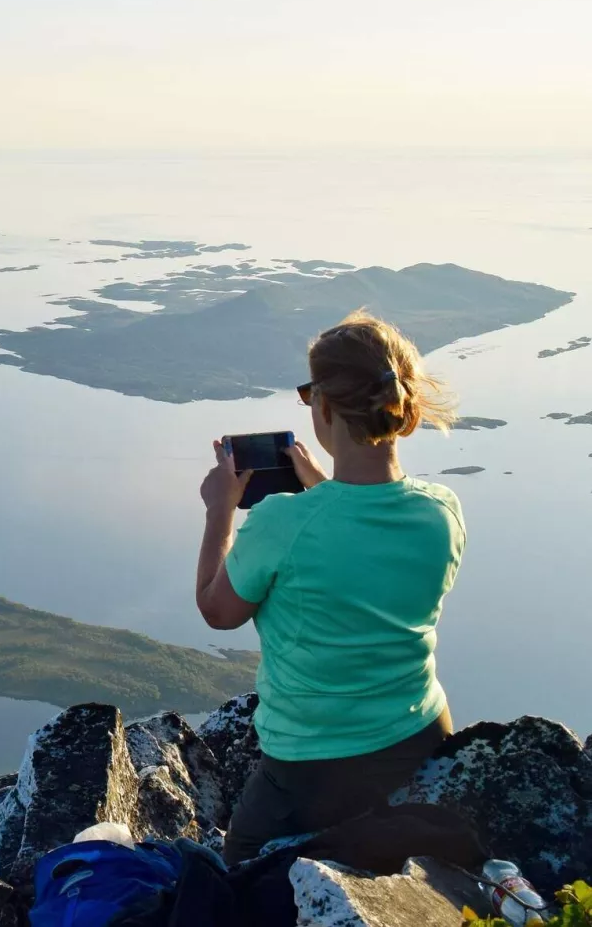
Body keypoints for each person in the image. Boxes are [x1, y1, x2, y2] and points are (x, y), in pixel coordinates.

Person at [193, 310, 466, 865]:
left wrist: (219, 512)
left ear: (321, 406)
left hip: (310, 768)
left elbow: (218, 611)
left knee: (235, 870)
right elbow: (366, 555)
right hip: (419, 739)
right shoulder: (442, 511)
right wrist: (323, 485)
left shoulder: (281, 523)